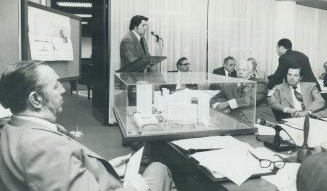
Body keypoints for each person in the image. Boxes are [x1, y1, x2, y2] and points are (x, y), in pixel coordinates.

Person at [0, 61, 176, 191]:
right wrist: (136, 187)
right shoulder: (43, 147)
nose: (62, 90)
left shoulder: (11, 128)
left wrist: (107, 168)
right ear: (36, 99)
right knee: (159, 168)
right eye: (55, 86)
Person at [210, 60, 276, 124]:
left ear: (251, 73)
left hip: (260, 122)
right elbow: (213, 99)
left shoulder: (260, 83)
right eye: (239, 70)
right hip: (237, 123)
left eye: (244, 70)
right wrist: (218, 105)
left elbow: (249, 100)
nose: (240, 72)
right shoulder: (229, 86)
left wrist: (228, 103)